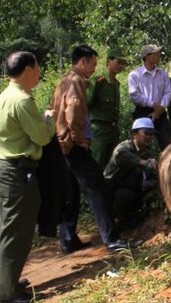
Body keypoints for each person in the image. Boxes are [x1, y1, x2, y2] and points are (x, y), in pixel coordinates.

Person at [51, 45, 136, 255]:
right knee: (98, 188)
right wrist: (79, 139)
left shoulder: (64, 80)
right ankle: (112, 239)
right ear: (83, 61)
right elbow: (74, 111)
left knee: (70, 191)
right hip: (74, 145)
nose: (93, 69)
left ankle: (68, 239)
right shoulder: (77, 81)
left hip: (61, 144)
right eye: (93, 64)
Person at [0, 51, 56, 303]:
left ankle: (8, 282)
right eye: (38, 67)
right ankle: (7, 294)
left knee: (12, 230)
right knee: (15, 232)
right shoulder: (21, 100)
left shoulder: (7, 96)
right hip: (15, 171)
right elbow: (41, 137)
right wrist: (48, 121)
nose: (39, 72)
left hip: (8, 169)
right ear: (28, 69)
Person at [103, 117, 158, 228]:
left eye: (151, 134)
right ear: (134, 134)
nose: (149, 137)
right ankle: (110, 222)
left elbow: (154, 171)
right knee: (125, 195)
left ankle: (127, 217)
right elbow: (121, 155)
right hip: (111, 188)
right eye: (146, 133)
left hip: (129, 186)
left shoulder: (146, 153)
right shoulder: (124, 147)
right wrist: (143, 162)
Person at [128, 44, 171, 150]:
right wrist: (152, 104)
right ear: (147, 56)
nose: (159, 55)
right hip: (142, 113)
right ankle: (142, 165)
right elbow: (134, 95)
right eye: (156, 53)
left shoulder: (162, 74)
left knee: (167, 142)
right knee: (141, 144)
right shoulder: (135, 75)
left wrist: (159, 109)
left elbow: (168, 92)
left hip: (161, 113)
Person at [88, 48, 127, 167]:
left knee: (113, 165)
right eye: (118, 62)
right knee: (97, 163)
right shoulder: (98, 81)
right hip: (99, 129)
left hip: (113, 130)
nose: (121, 66)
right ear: (109, 61)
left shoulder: (116, 83)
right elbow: (85, 105)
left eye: (123, 63)